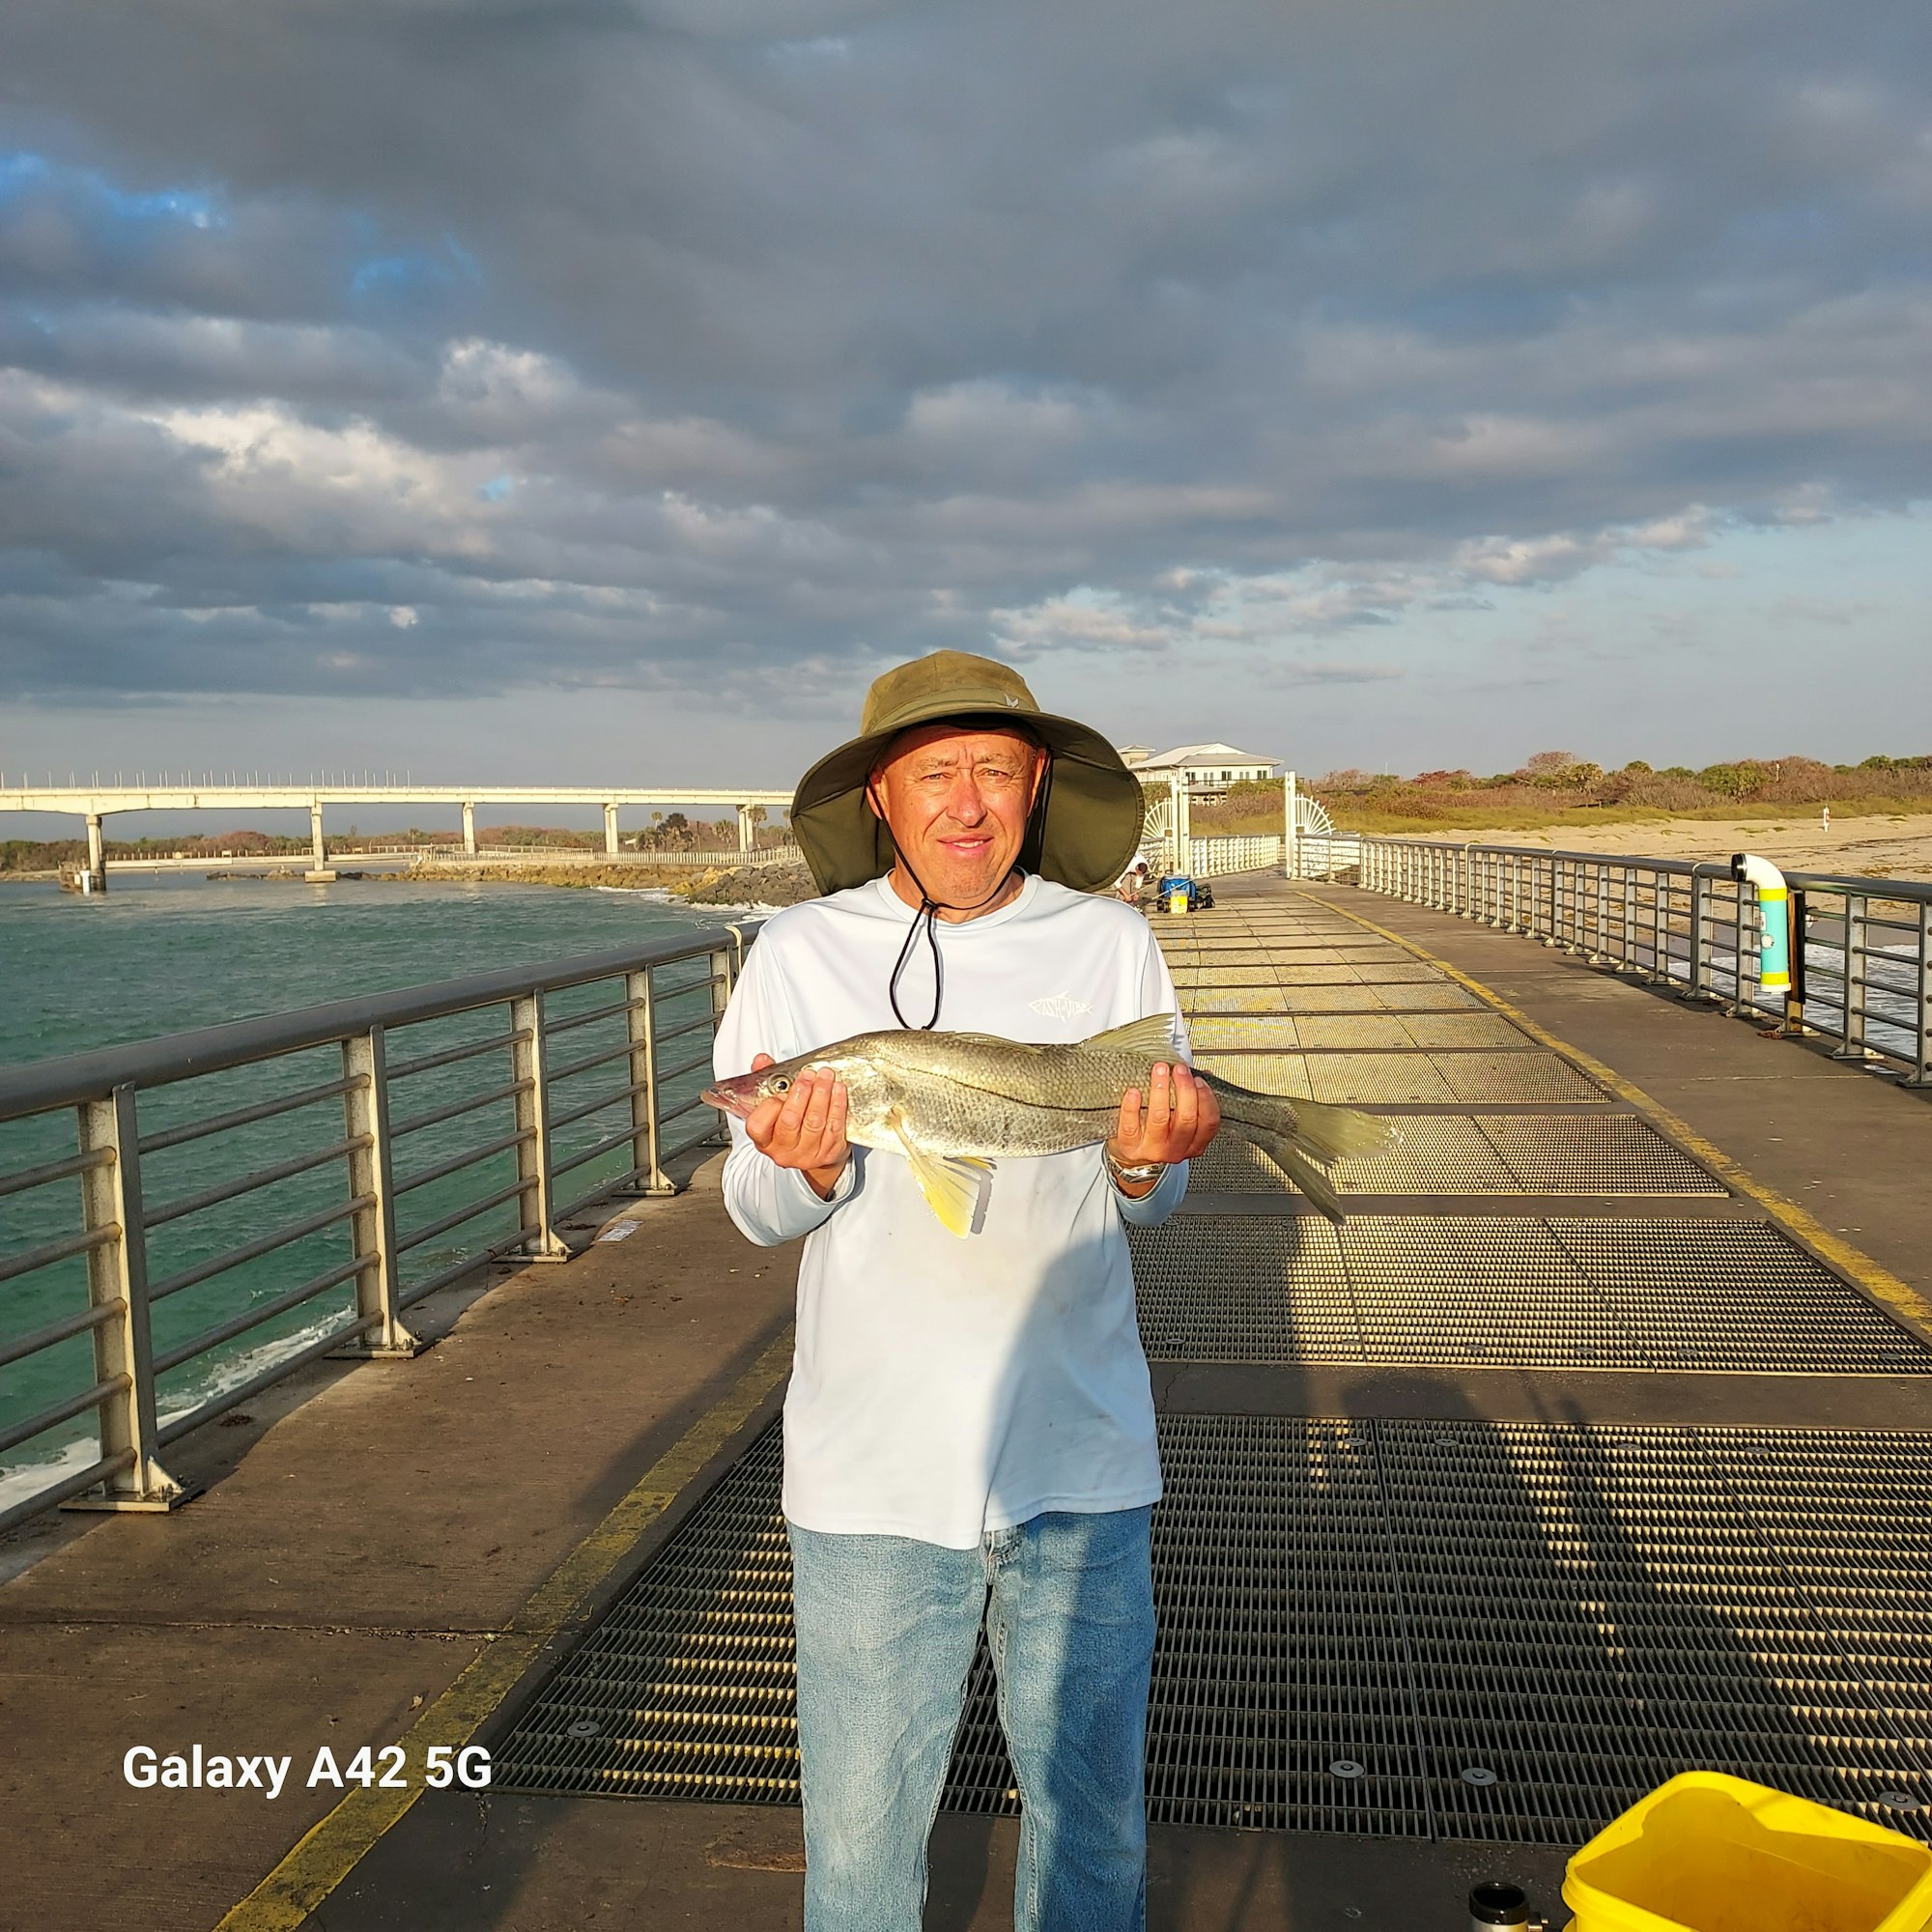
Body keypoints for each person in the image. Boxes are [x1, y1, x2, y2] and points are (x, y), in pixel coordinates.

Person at [712, 650, 1220, 1932]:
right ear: (878, 795)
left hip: (1081, 1460)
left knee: (1094, 1831)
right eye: (934, 772)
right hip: (869, 1470)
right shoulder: (798, 952)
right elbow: (757, 1206)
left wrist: (1155, 1168)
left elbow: (1145, 1197)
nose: (967, 802)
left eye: (995, 769)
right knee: (863, 1849)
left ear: (1037, 784)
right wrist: (808, 1164)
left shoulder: (1110, 942)